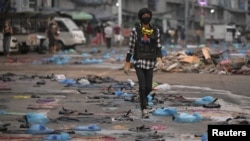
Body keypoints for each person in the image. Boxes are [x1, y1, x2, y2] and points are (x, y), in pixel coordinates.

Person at [123, 8, 163, 118]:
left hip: (150, 62)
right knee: (142, 86)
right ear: (140, 17)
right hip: (139, 61)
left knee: (149, 88)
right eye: (144, 15)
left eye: (148, 14)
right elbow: (131, 47)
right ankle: (144, 108)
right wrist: (127, 63)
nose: (146, 16)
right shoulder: (135, 30)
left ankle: (141, 98)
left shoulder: (156, 30)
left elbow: (158, 46)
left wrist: (160, 59)